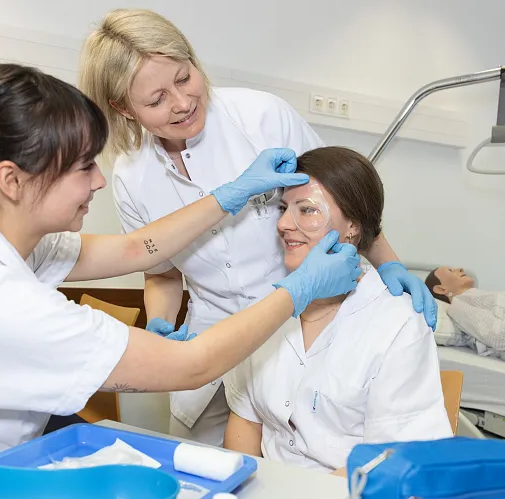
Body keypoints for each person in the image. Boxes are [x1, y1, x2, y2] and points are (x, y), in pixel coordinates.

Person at [0, 64, 362, 499]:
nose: (99, 180)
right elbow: (192, 367)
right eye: (83, 167)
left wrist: (232, 194)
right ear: (13, 179)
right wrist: (301, 289)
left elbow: (133, 249)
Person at [79, 9, 436, 445]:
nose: (182, 102)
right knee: (205, 476)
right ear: (123, 108)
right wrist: (159, 323)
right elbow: (162, 271)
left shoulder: (261, 117)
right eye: (156, 100)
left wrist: (390, 265)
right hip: (212, 345)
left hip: (301, 328)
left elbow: (340, 199)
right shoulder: (131, 176)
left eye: (185, 77)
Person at [222, 147, 453, 475]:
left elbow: (388, 455)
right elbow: (244, 420)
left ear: (353, 227)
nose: (285, 224)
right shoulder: (269, 306)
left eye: (307, 210)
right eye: (284, 208)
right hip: (262, 494)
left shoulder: (396, 322)